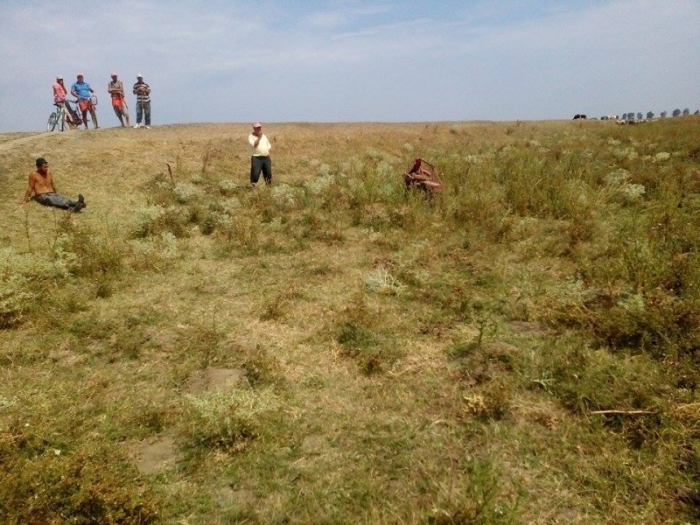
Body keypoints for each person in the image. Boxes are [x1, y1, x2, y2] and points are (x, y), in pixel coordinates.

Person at [20, 158, 86, 212]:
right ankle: (75, 206)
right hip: (43, 196)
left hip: (52, 193)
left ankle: (78, 204)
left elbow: (52, 183)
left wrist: (56, 193)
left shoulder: (48, 172)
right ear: (39, 167)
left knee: (61, 198)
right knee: (55, 200)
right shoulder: (34, 175)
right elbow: (30, 187)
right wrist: (25, 200)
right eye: (44, 167)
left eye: (47, 166)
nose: (46, 168)